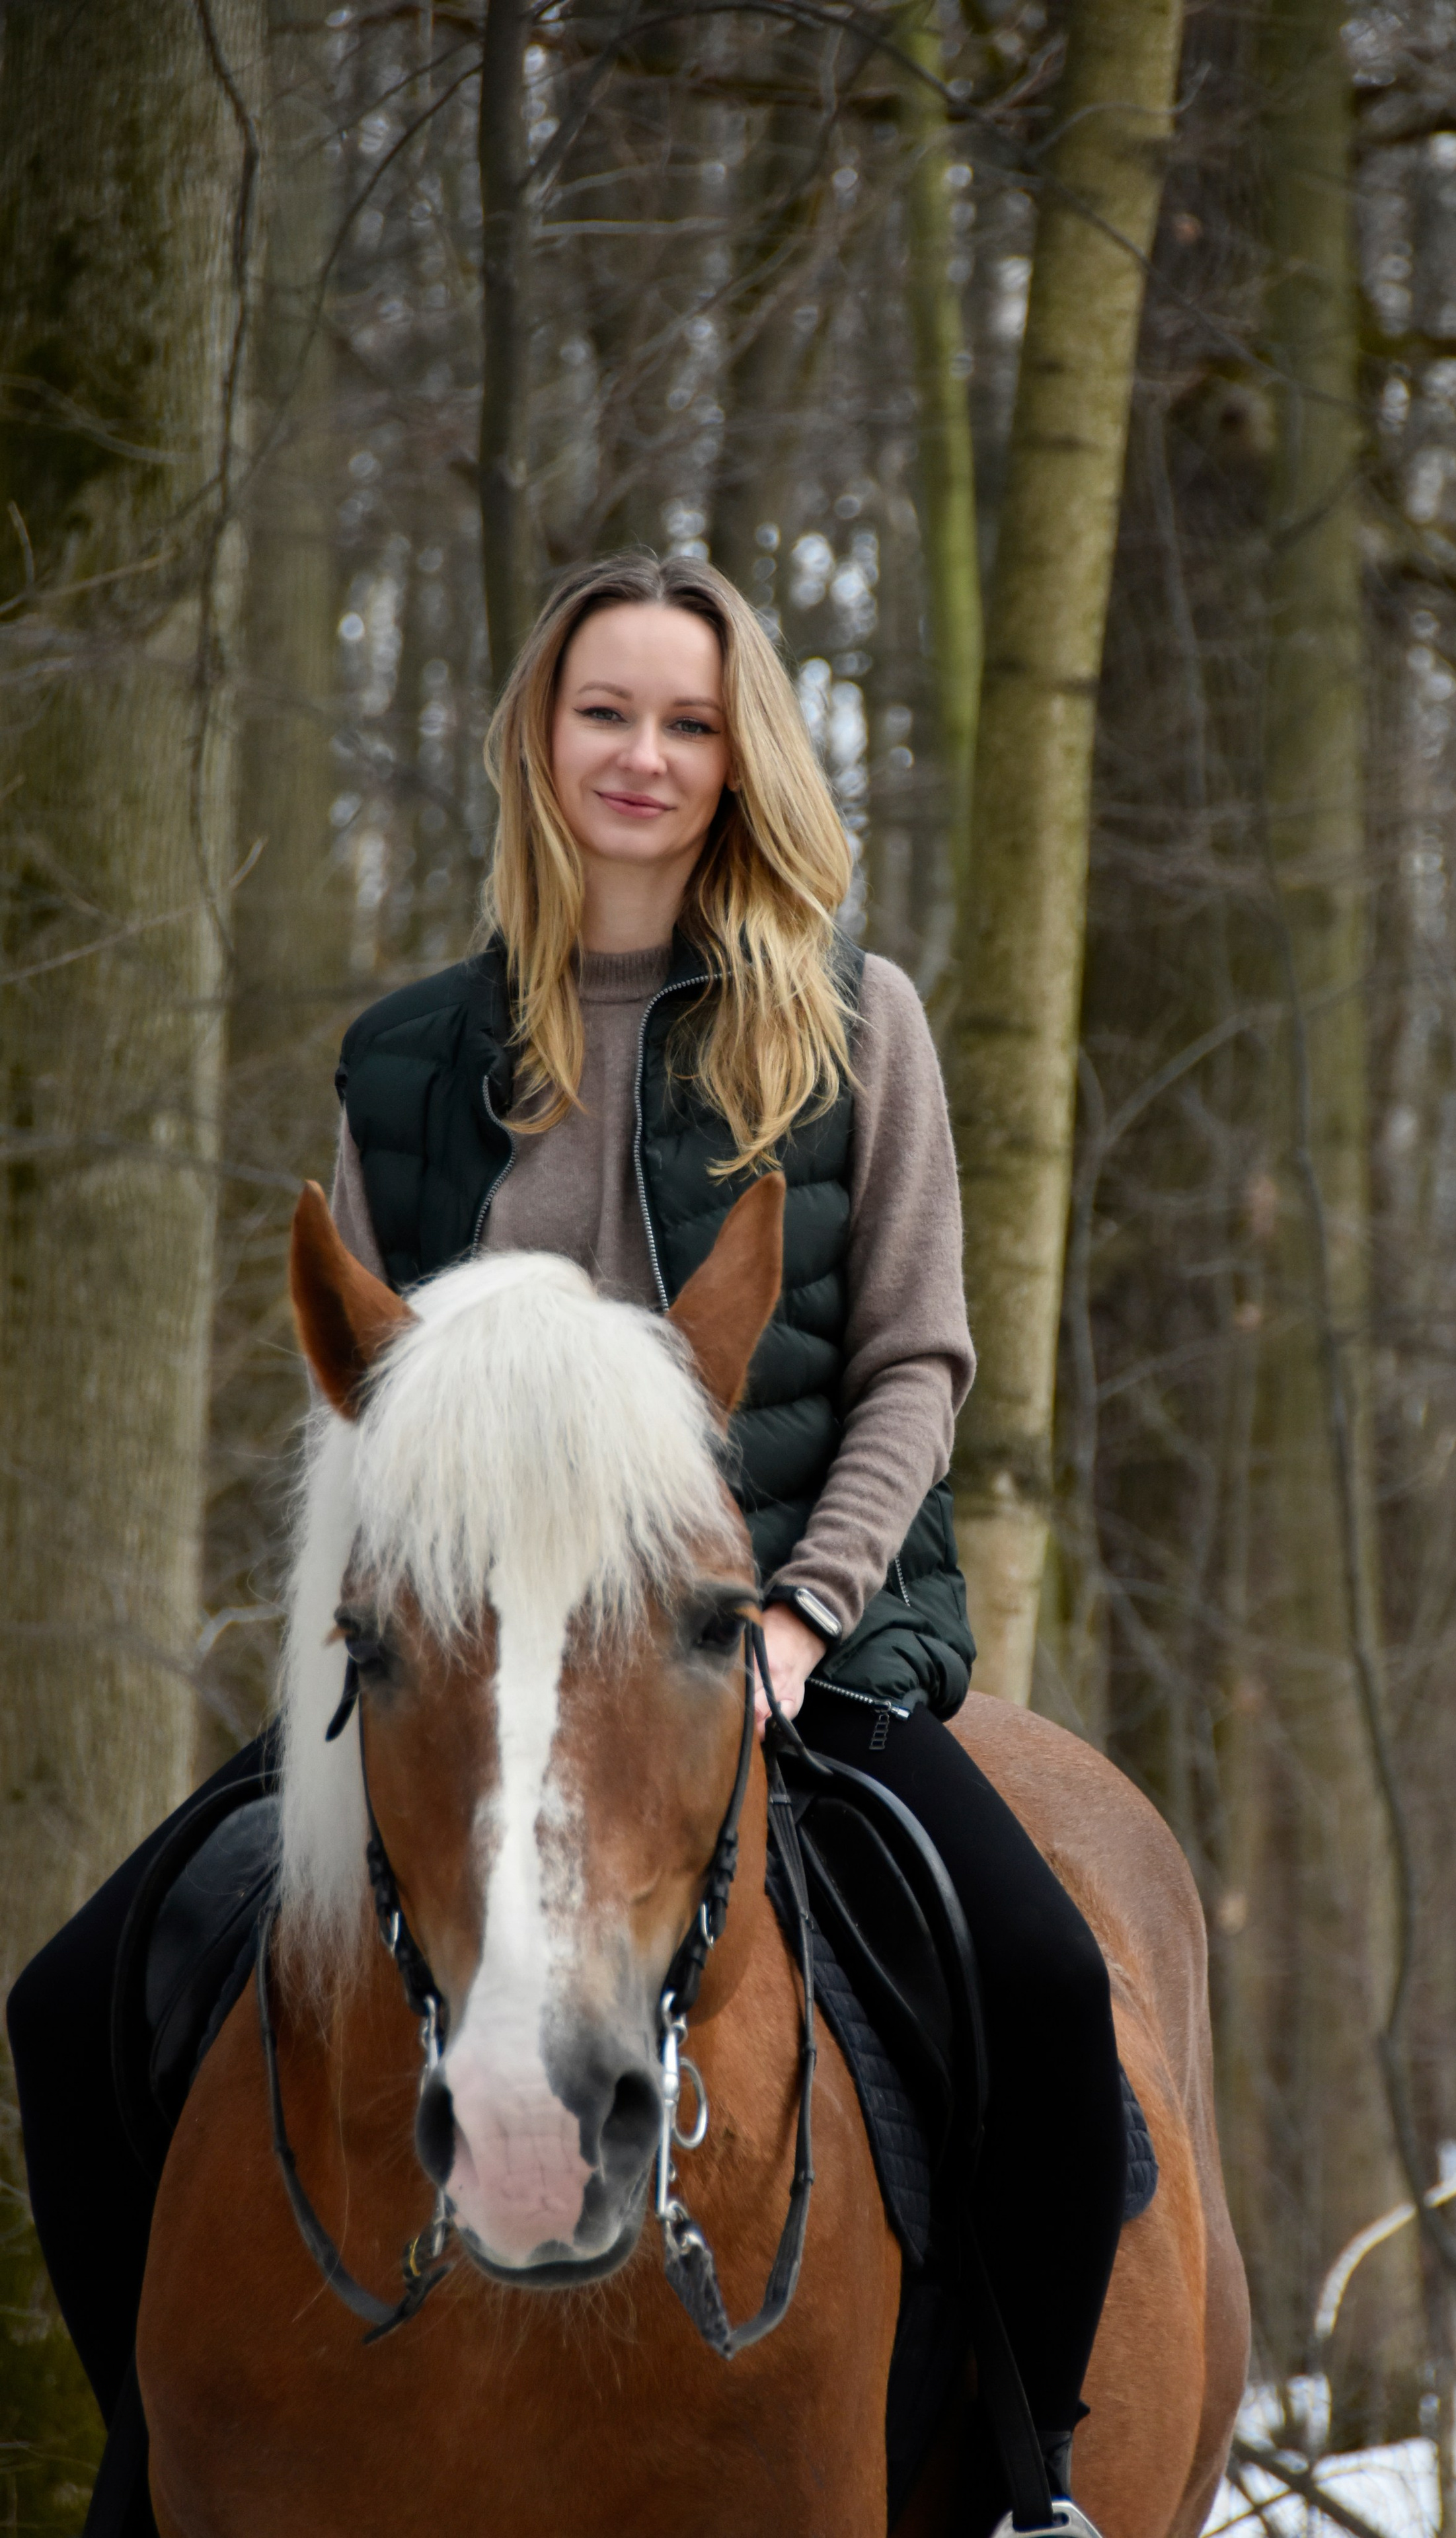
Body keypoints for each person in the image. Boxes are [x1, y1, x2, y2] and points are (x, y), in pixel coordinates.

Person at [11, 551, 1128, 2532]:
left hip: (759, 1650)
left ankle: (1030, 2472)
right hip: (459, 1676)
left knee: (1038, 1979)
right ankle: (144, 2468)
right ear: (541, 737)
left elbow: (914, 1366)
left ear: (741, 755)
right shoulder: (405, 1059)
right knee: (77, 1994)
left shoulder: (858, 1028)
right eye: (605, 711)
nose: (645, 754)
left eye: (690, 721)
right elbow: (366, 1413)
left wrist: (798, 1618)